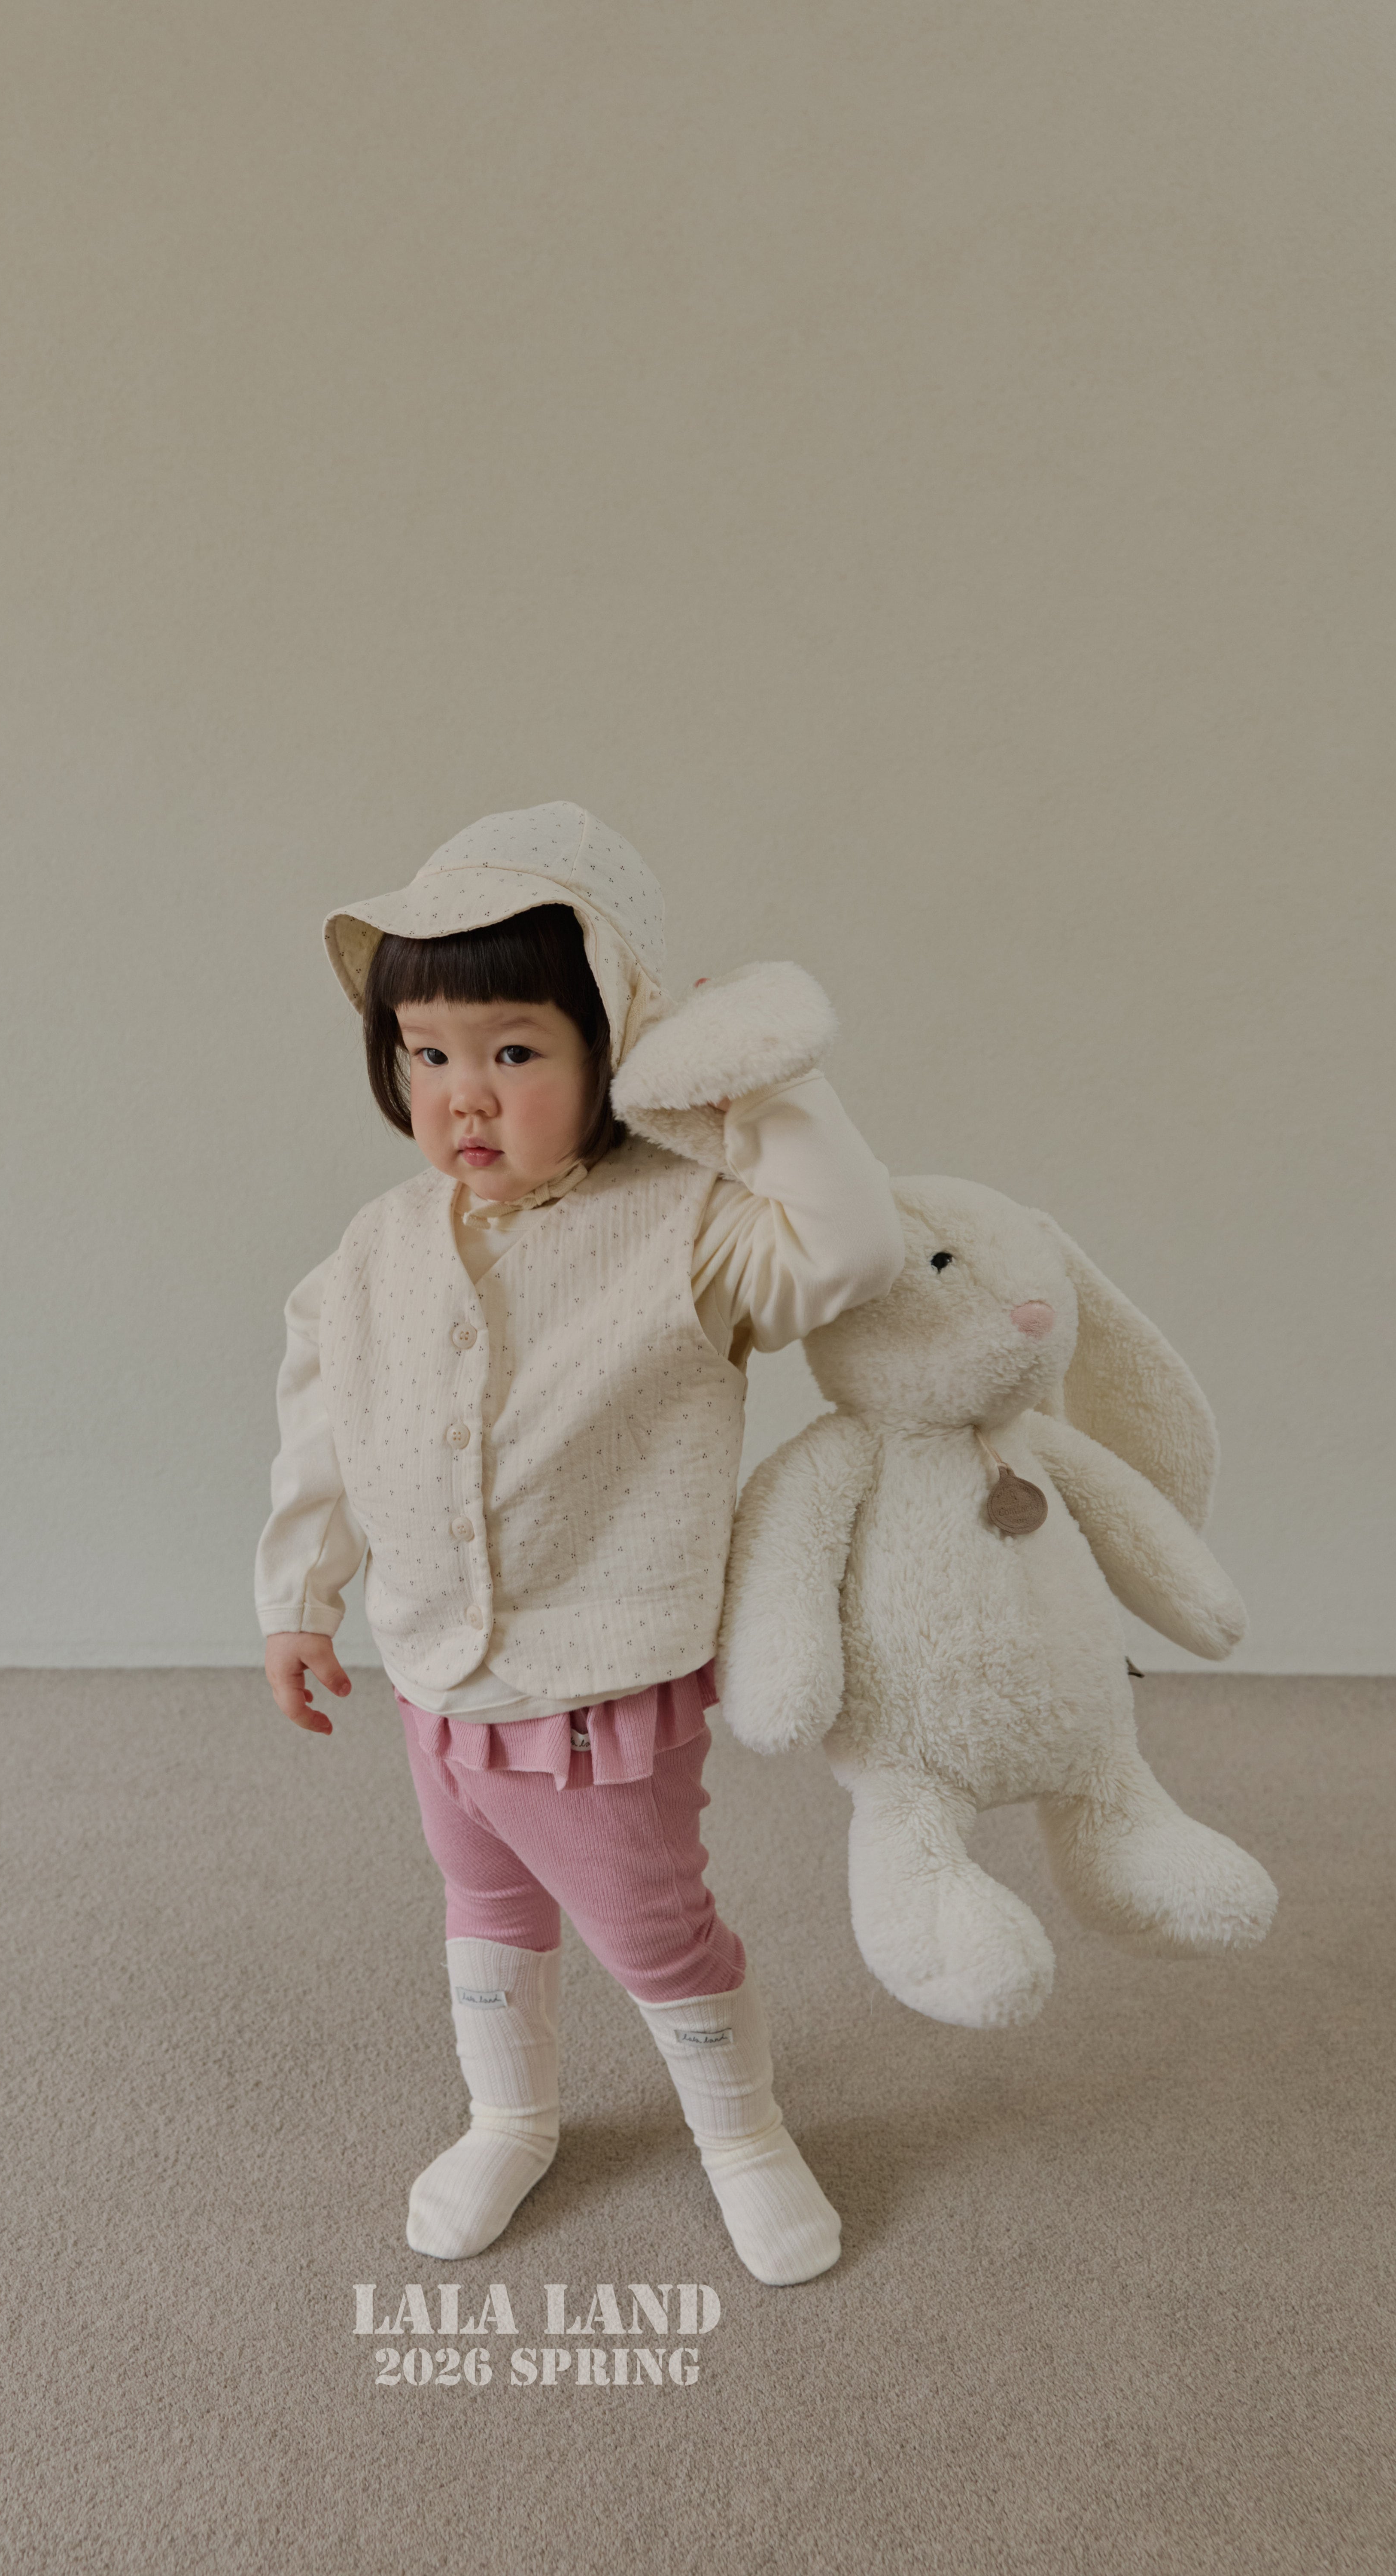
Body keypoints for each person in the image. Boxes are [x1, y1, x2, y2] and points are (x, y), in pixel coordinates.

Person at [255, 800, 903, 2285]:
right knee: (483, 1903)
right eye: (427, 1055)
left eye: (514, 1052)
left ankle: (743, 2132)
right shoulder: (375, 1249)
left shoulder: (692, 1226)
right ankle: (511, 2115)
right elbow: (324, 1429)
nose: (462, 1097)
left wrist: (743, 1079)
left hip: (599, 1685)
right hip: (436, 1676)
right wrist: (299, 1597)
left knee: (653, 1927)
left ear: (615, 1049)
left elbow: (856, 1247)